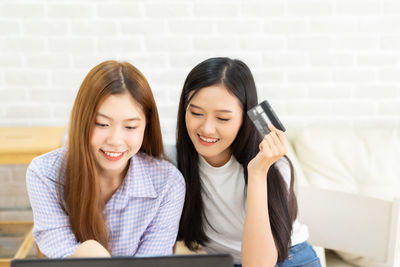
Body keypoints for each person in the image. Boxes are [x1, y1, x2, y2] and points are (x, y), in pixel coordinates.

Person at [26, 60, 185, 258]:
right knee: (88, 250)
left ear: (146, 126)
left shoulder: (168, 183)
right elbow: (63, 252)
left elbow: (152, 262)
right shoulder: (45, 174)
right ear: (82, 120)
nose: (115, 141)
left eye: (130, 127)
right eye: (101, 124)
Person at [176, 57, 320, 267]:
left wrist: (258, 173)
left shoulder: (274, 166)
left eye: (223, 118)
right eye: (196, 113)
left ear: (246, 117)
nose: (206, 128)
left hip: (288, 259)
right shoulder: (176, 163)